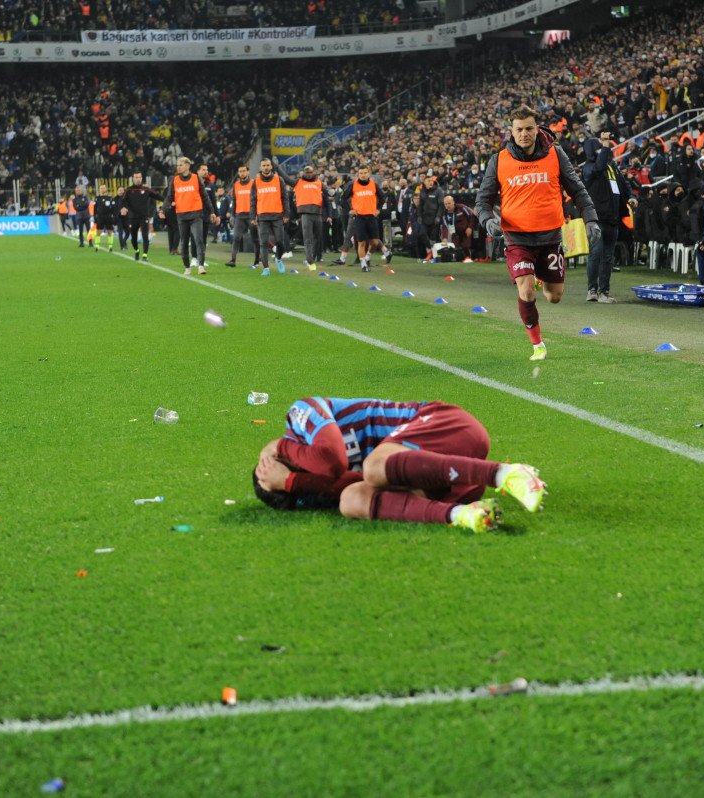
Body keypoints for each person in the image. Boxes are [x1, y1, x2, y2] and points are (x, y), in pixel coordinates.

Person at [252, 396, 547, 533]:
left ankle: (505, 473)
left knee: (373, 467)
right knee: (351, 500)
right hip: (449, 481)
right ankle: (462, 515)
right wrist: (291, 482)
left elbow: (331, 460)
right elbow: (340, 481)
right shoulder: (315, 484)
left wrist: (281, 447)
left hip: (450, 424)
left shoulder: (300, 414)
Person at [475, 105, 599, 362]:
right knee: (527, 290)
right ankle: (538, 345)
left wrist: (591, 219)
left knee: (554, 297)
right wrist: (487, 221)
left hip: (550, 238)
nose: (524, 134)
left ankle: (539, 276)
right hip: (517, 238)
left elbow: (577, 190)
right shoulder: (499, 160)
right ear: (511, 132)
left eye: (529, 128)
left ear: (537, 128)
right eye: (519, 129)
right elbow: (483, 201)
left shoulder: (555, 154)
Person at [582, 129, 626, 303]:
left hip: (612, 218)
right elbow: (598, 167)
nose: (602, 150)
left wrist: (630, 197)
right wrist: (606, 145)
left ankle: (604, 292)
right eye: (598, 148)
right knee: (596, 253)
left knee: (608, 257)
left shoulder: (611, 167)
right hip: (596, 219)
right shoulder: (588, 168)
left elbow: (622, 184)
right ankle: (592, 290)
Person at [162, 156, 219, 276]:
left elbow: (204, 196)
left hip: (196, 215)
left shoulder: (196, 178)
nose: (178, 167)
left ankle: (201, 266)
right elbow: (169, 197)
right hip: (181, 216)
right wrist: (163, 210)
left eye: (180, 165)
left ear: (187, 166)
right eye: (177, 165)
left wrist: (212, 211)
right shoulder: (175, 180)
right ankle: (187, 267)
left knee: (199, 240)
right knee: (183, 243)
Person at [341, 166, 392, 272]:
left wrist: (378, 209)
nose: (363, 175)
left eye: (365, 173)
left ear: (369, 174)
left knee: (374, 242)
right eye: (361, 173)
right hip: (359, 217)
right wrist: (350, 209)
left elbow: (382, 197)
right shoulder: (353, 185)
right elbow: (343, 198)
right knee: (362, 243)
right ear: (358, 174)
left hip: (372, 217)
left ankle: (367, 257)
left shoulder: (373, 184)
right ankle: (363, 265)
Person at [250, 157, 289, 276]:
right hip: (262, 216)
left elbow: (285, 198)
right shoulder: (256, 182)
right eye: (264, 165)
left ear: (271, 166)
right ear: (260, 167)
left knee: (280, 242)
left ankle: (278, 258)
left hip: (277, 215)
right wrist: (253, 216)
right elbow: (253, 200)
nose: (266, 167)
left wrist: (286, 213)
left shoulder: (279, 180)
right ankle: (266, 268)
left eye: (268, 165)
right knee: (263, 243)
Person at [119, 171, 163, 261]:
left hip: (144, 217)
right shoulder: (128, 190)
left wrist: (168, 200)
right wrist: (123, 207)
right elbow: (122, 201)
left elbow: (158, 196)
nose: (138, 179)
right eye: (136, 177)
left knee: (145, 236)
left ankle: (144, 255)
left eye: (139, 177)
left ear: (142, 178)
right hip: (132, 217)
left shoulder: (146, 189)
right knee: (133, 238)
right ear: (133, 178)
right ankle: (137, 250)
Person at [294, 164, 326, 268]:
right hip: (306, 213)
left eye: (310, 172)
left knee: (318, 237)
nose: (309, 174)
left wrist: (332, 192)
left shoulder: (319, 182)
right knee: (308, 238)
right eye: (307, 172)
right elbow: (286, 179)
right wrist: (277, 168)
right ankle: (310, 261)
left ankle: (312, 257)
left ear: (314, 172)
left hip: (317, 213)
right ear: (303, 173)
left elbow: (328, 192)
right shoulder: (298, 182)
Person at [228, 165, 260, 268]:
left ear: (248, 172)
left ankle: (257, 260)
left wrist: (257, 214)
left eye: (244, 171)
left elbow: (258, 199)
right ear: (238, 173)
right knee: (236, 238)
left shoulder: (254, 183)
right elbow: (234, 201)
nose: (242, 173)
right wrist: (232, 215)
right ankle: (233, 260)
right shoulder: (236, 185)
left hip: (251, 215)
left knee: (255, 239)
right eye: (240, 171)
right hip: (239, 216)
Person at [439, 195, 479, 262]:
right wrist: (445, 238)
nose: (447, 205)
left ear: (453, 202)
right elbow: (445, 226)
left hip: (466, 232)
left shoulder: (461, 207)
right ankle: (461, 259)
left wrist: (469, 227)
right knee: (457, 249)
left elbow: (472, 216)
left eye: (449, 203)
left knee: (466, 246)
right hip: (455, 234)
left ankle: (470, 258)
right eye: (446, 204)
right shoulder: (444, 214)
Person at [414, 174, 445, 262]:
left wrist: (438, 216)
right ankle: (430, 251)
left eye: (431, 180)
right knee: (422, 234)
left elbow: (441, 205)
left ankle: (437, 256)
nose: (430, 182)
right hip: (425, 218)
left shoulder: (439, 190)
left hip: (434, 218)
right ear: (424, 182)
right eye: (427, 181)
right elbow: (420, 205)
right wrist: (419, 216)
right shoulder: (422, 191)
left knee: (434, 238)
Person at [92, 184, 118, 253]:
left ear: (106, 189)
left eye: (103, 188)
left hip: (108, 217)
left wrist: (113, 216)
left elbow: (114, 208)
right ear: (99, 190)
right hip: (100, 217)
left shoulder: (110, 198)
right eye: (101, 188)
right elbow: (94, 209)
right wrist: (95, 217)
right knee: (98, 232)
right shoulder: (97, 198)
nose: (102, 189)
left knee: (109, 232)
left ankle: (110, 247)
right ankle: (97, 246)